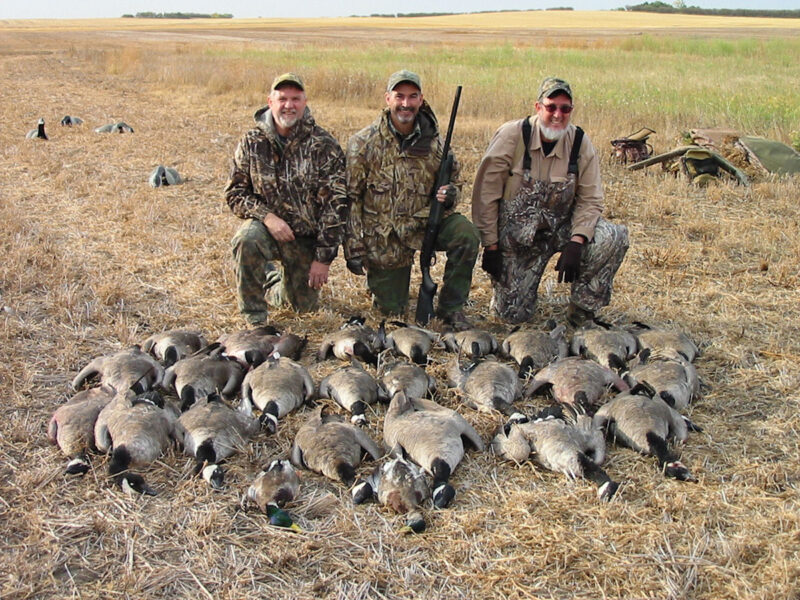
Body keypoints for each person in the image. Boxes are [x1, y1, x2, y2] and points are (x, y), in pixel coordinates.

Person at [472, 77, 629, 326]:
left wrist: (577, 241)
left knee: (612, 236)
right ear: (537, 107)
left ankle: (582, 312)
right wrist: (490, 246)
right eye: (551, 107)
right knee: (512, 318)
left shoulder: (579, 143)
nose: (558, 114)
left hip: (561, 231)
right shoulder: (511, 135)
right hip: (517, 241)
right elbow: (485, 195)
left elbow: (590, 199)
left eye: (565, 109)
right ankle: (510, 295)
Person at [345, 70, 480, 330]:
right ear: (387, 99)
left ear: (421, 99)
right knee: (390, 313)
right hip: (386, 236)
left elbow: (457, 182)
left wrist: (451, 194)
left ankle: (451, 308)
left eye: (412, 96)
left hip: (425, 222)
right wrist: (353, 248)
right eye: (399, 96)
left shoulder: (436, 143)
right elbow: (352, 200)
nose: (405, 103)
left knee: (466, 234)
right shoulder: (363, 143)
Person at [224, 73, 348, 325]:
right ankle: (254, 319)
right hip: (267, 230)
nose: (289, 105)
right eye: (282, 99)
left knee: (302, 308)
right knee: (247, 239)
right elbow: (235, 193)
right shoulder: (251, 142)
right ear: (270, 102)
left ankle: (272, 282)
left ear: (305, 102)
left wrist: (322, 258)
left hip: (305, 238)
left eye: (295, 99)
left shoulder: (324, 145)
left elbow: (336, 207)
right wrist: (268, 218)